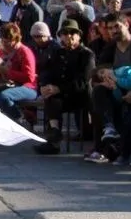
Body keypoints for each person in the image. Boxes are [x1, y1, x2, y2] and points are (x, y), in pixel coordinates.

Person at [86, 12, 131, 166]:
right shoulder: (110, 48)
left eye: (116, 26)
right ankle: (105, 139)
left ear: (126, 24)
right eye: (109, 28)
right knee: (98, 93)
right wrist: (104, 79)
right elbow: (97, 72)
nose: (113, 31)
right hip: (117, 91)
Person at [36, 20, 96, 155]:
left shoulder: (87, 54)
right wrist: (44, 86)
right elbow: (48, 72)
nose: (69, 36)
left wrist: (59, 88)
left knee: (55, 96)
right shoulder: (58, 53)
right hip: (61, 96)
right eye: (65, 33)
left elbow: (83, 81)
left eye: (72, 33)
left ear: (79, 36)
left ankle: (54, 137)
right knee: (51, 98)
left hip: (79, 96)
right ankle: (54, 138)